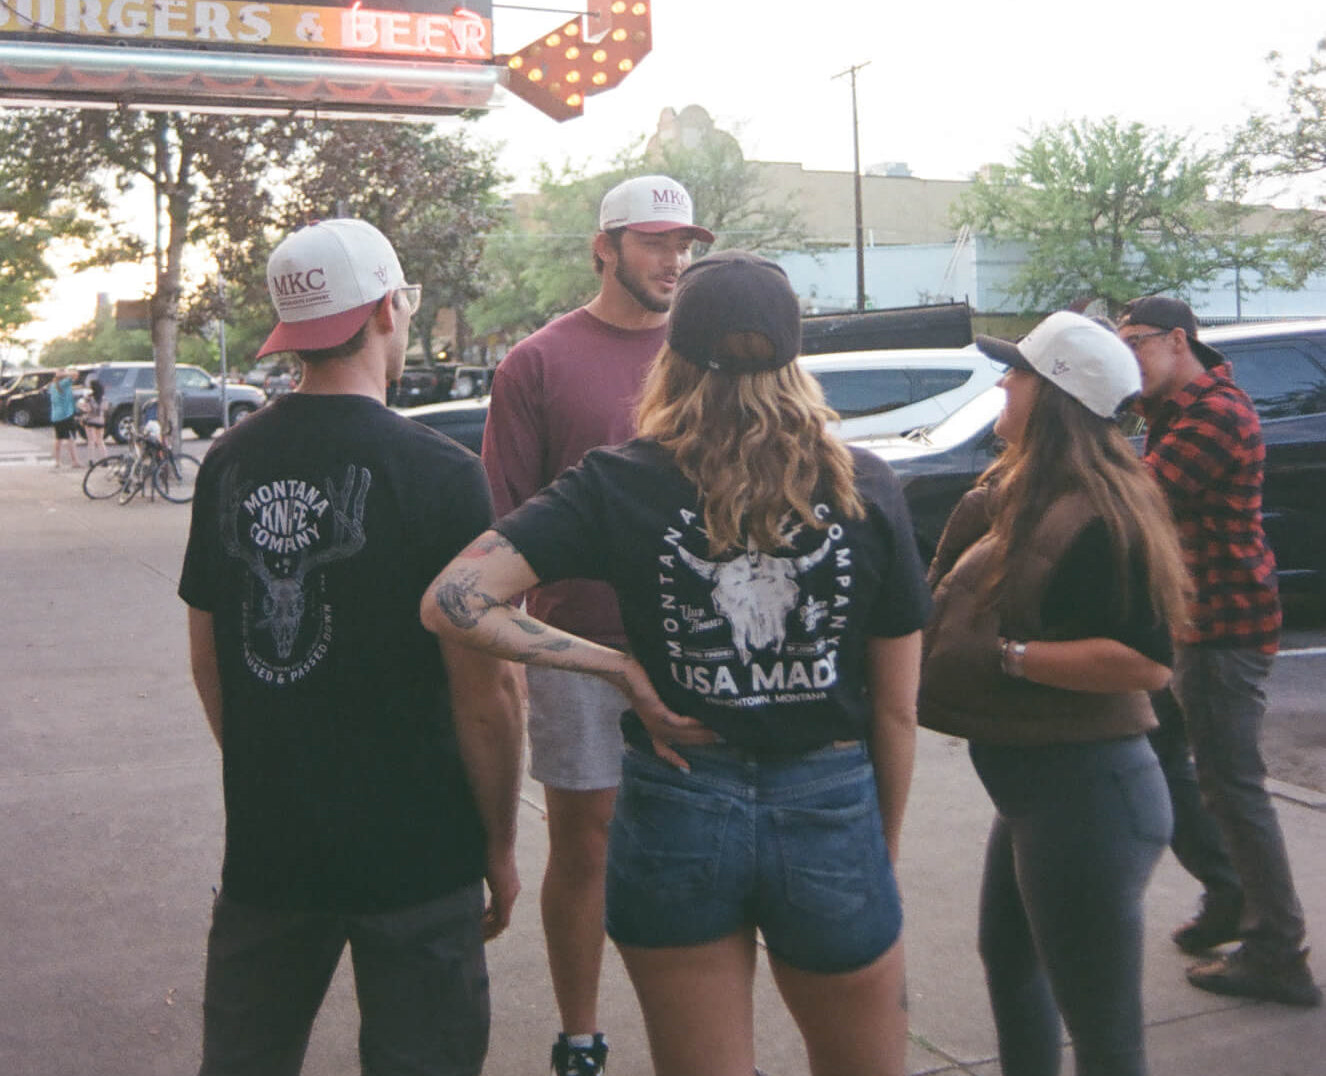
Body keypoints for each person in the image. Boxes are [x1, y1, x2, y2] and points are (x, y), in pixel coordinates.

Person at [425, 250, 929, 1076]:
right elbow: (898, 711)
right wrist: (882, 849)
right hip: (830, 804)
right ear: (794, 357)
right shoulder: (863, 487)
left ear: (674, 356)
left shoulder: (620, 483)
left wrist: (617, 669)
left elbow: (453, 598)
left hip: (677, 803)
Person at [178, 219, 525, 1076]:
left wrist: (270, 764)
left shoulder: (229, 462)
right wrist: (500, 846)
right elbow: (488, 694)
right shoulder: (442, 473)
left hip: (270, 850)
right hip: (421, 854)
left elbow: (210, 652)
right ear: (383, 310)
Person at [479, 174, 712, 1076]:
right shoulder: (536, 362)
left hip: (699, 645)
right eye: (655, 242)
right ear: (604, 248)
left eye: (684, 244)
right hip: (582, 649)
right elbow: (506, 519)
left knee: (701, 842)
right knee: (587, 841)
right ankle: (580, 1037)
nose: (673, 260)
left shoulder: (705, 358)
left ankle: (698, 1040)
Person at [919, 312, 1189, 1076]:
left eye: (1020, 372)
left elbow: (1144, 663)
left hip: (1089, 799)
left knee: (1104, 1037)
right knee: (1011, 964)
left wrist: (1010, 657)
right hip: (1044, 795)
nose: (1004, 381)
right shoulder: (1030, 493)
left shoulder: (1102, 514)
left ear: (1058, 395)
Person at [1117, 295, 1320, 1006]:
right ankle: (1231, 894)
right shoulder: (1174, 407)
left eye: (1134, 342)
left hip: (1222, 629)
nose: (1127, 357)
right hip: (1190, 623)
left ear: (1179, 339)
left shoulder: (1216, 415)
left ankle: (1277, 951)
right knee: (1171, 764)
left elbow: (1142, 499)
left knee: (1233, 786)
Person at [49, 367, 82, 469]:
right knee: (70, 438)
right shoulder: (64, 383)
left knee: (58, 439)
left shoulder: (53, 386)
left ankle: (57, 461)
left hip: (56, 415)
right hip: (66, 414)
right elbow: (75, 374)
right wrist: (68, 372)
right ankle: (75, 461)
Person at [78, 378, 109, 458]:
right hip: (100, 421)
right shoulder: (103, 398)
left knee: (91, 441)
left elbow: (87, 409)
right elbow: (105, 408)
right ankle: (104, 459)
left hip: (90, 421)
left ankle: (91, 459)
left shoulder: (89, 398)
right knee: (100, 441)